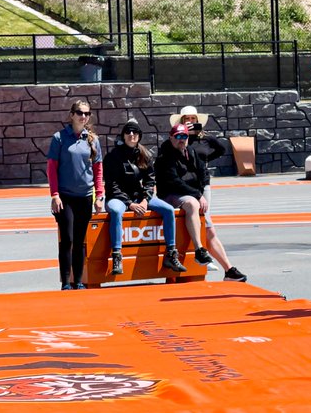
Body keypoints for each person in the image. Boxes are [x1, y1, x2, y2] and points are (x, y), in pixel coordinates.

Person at [156, 122, 248, 282]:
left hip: (194, 194)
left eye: (184, 136)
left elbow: (203, 171)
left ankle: (229, 270)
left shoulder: (190, 151)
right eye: (178, 136)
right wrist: (198, 195)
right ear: (171, 137)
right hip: (173, 195)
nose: (181, 140)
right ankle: (199, 250)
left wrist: (202, 188)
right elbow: (174, 182)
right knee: (192, 205)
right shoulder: (165, 156)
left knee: (210, 231)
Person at [103, 118, 186, 276]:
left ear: (139, 136)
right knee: (115, 211)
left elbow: (150, 181)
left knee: (168, 210)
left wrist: (144, 200)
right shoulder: (113, 156)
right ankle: (117, 256)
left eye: (135, 132)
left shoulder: (144, 154)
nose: (131, 134)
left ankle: (171, 254)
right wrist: (129, 204)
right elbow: (112, 185)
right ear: (123, 135)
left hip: (139, 196)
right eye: (128, 132)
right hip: (118, 197)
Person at [170, 104, 238, 276]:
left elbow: (221, 148)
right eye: (187, 119)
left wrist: (206, 160)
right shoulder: (181, 138)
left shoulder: (205, 139)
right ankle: (199, 254)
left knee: (206, 219)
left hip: (203, 183)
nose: (191, 122)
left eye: (194, 119)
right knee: (192, 219)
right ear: (182, 121)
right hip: (185, 184)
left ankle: (206, 256)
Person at [47, 98, 103, 290]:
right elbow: (51, 169)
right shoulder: (59, 138)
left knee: (80, 240)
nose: (83, 117)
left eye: (87, 113)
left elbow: (97, 169)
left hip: (85, 196)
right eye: (80, 113)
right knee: (67, 239)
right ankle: (66, 282)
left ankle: (78, 281)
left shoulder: (93, 140)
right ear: (72, 115)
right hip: (65, 197)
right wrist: (54, 194)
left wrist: (99, 195)